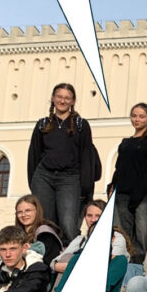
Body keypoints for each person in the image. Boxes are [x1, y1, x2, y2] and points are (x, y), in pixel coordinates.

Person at [27, 83, 98, 242]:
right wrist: (33, 182)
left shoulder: (81, 125)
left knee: (68, 225)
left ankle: (71, 260)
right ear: (53, 99)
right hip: (43, 177)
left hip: (69, 178)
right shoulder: (42, 124)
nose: (63, 101)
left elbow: (87, 156)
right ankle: (48, 261)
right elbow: (34, 155)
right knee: (45, 225)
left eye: (67, 98)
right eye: (59, 97)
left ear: (73, 101)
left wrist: (86, 188)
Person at [108, 102, 147, 262]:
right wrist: (112, 186)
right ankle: (123, 266)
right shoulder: (125, 142)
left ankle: (141, 266)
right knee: (123, 235)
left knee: (143, 234)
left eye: (141, 116)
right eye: (134, 116)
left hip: (142, 194)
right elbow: (119, 167)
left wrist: (141, 192)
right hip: (122, 193)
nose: (137, 119)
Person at [52, 198, 106, 276]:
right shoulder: (81, 239)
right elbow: (56, 261)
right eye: (89, 215)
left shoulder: (117, 238)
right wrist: (56, 265)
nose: (93, 220)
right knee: (66, 258)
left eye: (98, 216)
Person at [14, 195, 64, 267]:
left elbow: (48, 262)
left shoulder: (45, 234)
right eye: (19, 212)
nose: (23, 215)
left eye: (28, 210)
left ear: (37, 211)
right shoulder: (17, 234)